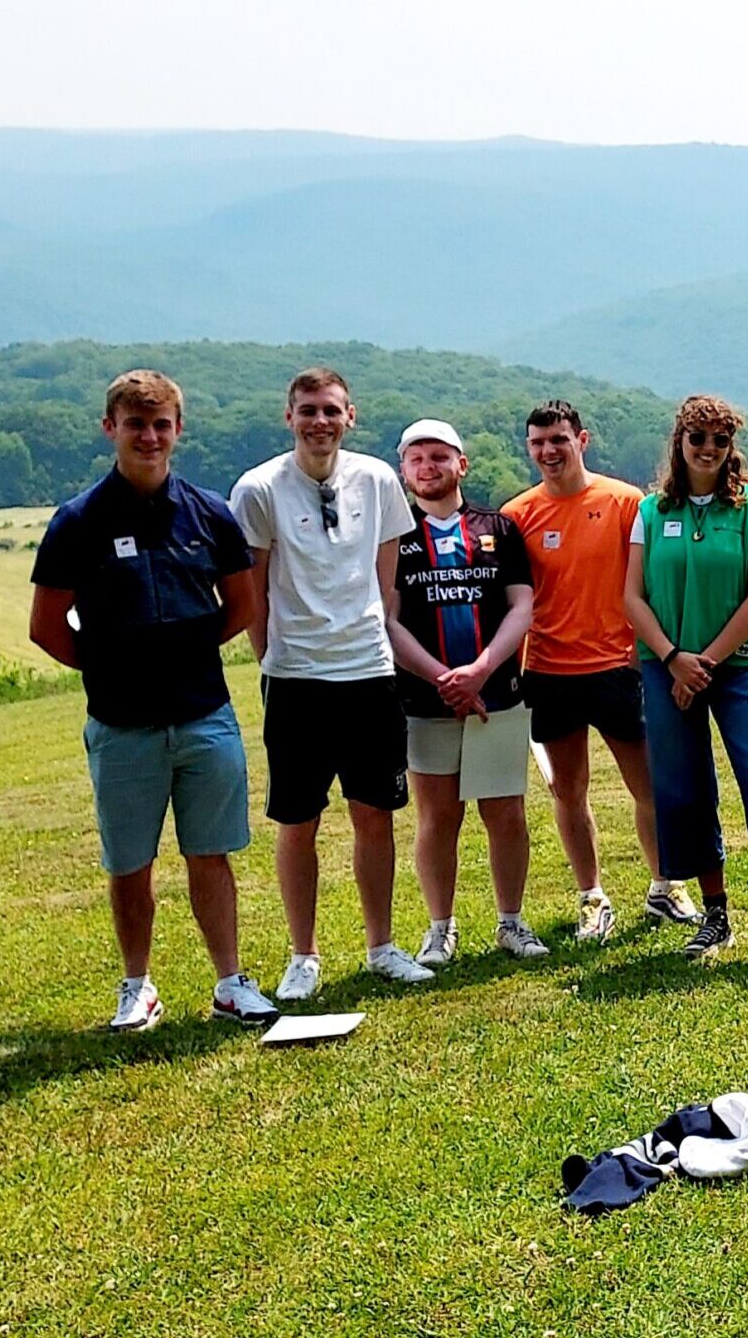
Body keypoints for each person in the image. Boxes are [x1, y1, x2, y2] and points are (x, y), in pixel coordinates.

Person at [29, 370, 277, 1031]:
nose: (149, 436)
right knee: (130, 863)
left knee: (211, 854)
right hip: (122, 725)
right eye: (135, 424)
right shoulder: (78, 523)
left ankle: (230, 983)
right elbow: (46, 627)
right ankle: (137, 987)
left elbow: (244, 604)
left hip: (205, 716)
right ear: (110, 429)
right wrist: (113, 668)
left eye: (161, 424)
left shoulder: (209, 515)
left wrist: (185, 655)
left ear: (178, 431)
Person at [230, 366, 432, 997]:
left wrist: (375, 642)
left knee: (376, 815)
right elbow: (252, 589)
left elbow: (385, 582)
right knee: (299, 821)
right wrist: (272, 658)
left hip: (368, 673)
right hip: (295, 680)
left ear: (352, 417)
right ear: (288, 417)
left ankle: (382, 946)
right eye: (308, 410)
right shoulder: (259, 488)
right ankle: (303, 956)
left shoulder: (376, 481)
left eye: (331, 410)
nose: (320, 421)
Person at [621, 396, 748, 967]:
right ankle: (714, 916)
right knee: (684, 790)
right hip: (665, 668)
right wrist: (672, 659)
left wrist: (702, 662)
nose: (708, 449)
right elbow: (631, 597)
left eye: (719, 440)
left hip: (734, 669)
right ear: (680, 442)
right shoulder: (648, 512)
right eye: (698, 439)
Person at [504, 400, 689, 942]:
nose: (548, 451)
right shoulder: (518, 515)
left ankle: (665, 887)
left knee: (649, 786)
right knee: (569, 792)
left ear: (581, 440)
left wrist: (645, 651)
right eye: (538, 442)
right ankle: (592, 898)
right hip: (550, 671)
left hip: (618, 666)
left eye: (558, 440)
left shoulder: (625, 502)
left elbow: (650, 583)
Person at [384, 419, 548, 967]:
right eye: (416, 459)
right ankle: (439, 928)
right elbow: (389, 619)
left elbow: (522, 606)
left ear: (462, 464)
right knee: (437, 818)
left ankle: (511, 921)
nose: (428, 468)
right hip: (425, 702)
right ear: (403, 470)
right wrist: (443, 679)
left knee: (505, 812)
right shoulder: (393, 534)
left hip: (497, 693)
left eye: (438, 457)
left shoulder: (498, 527)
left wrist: (479, 669)